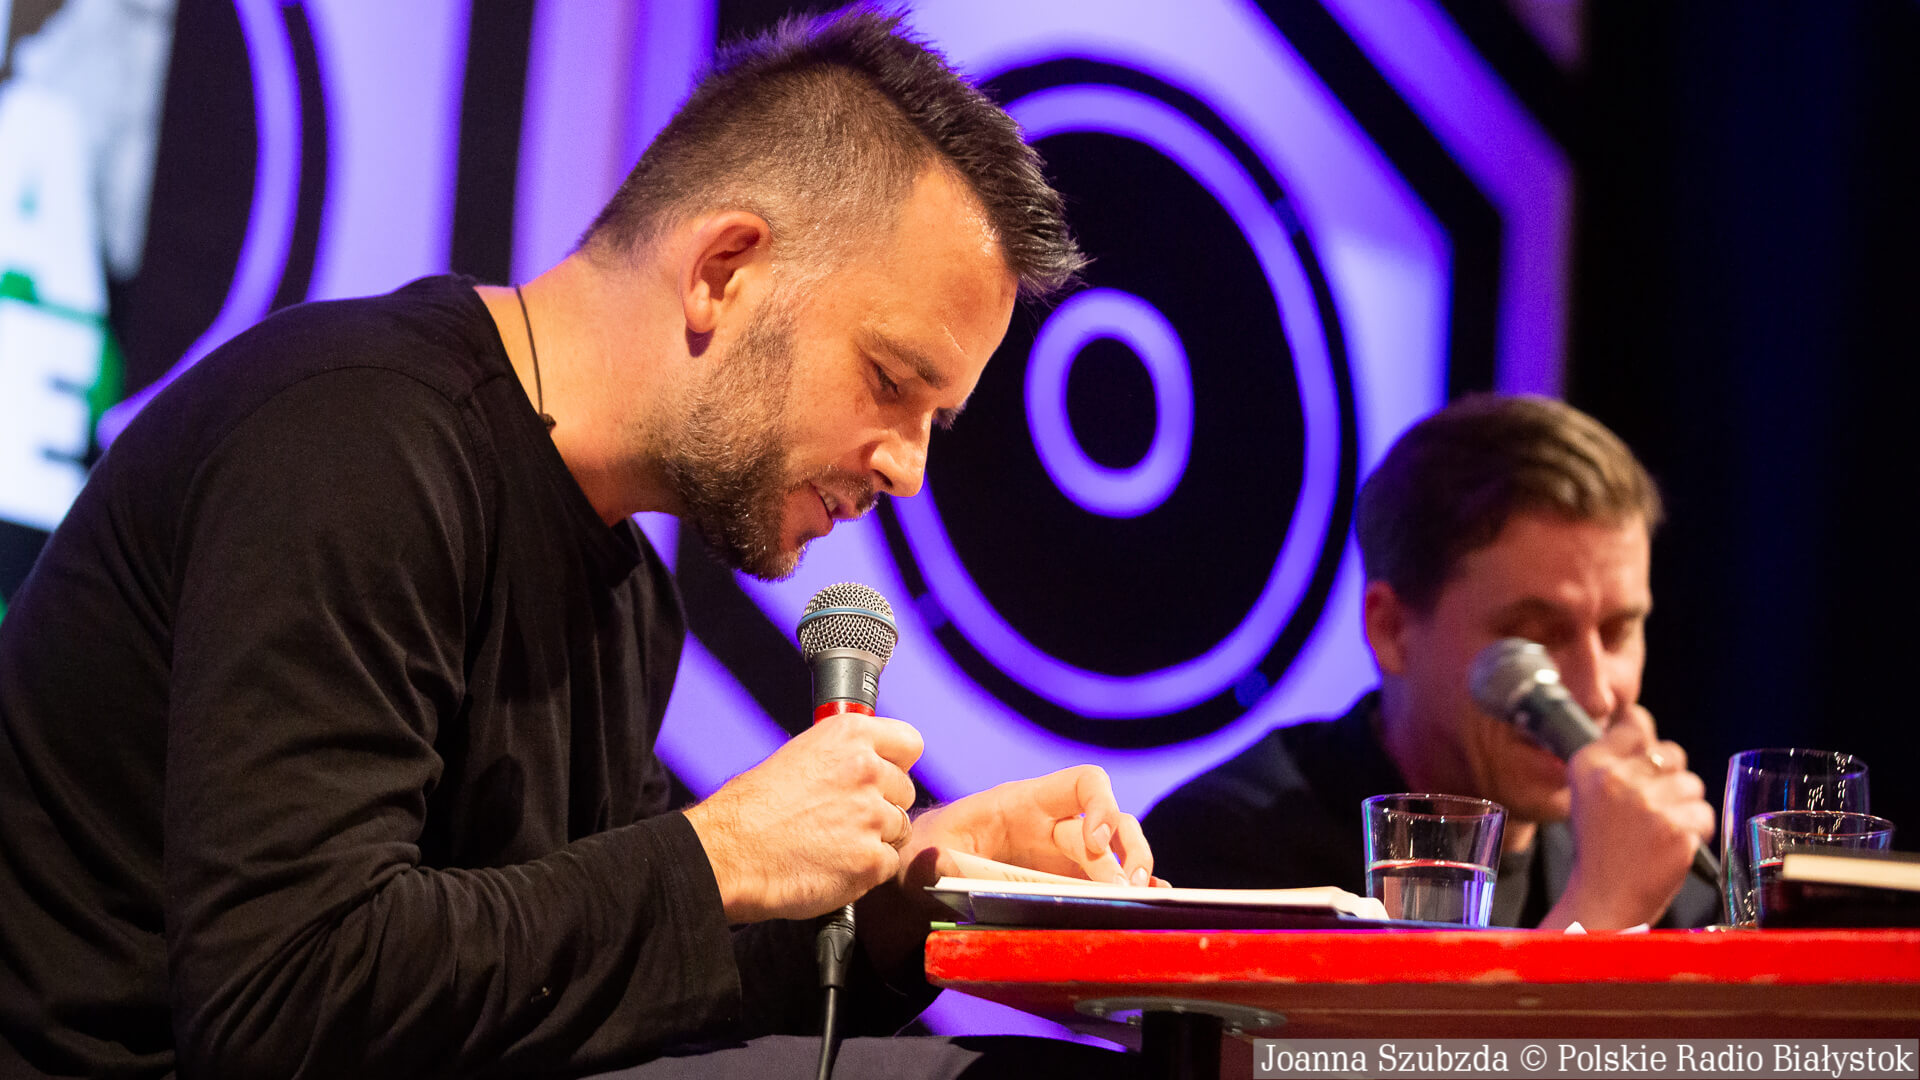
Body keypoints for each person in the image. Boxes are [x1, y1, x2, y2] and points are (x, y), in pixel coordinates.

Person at [0, 10, 1157, 1078]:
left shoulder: (627, 597)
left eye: (934, 423)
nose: (906, 469)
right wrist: (714, 856)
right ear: (723, 272)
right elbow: (282, 1000)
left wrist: (914, 887)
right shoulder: (353, 446)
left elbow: (602, 987)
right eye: (891, 381)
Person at [1143, 395, 1719, 931]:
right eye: (1534, 637)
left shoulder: (1656, 867)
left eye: (1618, 633)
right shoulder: (1225, 849)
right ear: (1391, 630)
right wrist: (1598, 914)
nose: (1597, 694)